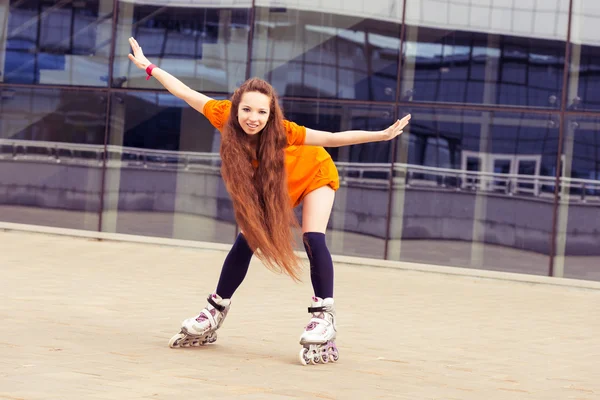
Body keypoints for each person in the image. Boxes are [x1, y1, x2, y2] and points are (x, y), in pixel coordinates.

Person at [127, 37, 411, 365]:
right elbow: (185, 92)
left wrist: (381, 135)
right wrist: (149, 66)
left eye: (262, 111)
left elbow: (331, 139)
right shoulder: (222, 115)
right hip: (278, 186)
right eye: (247, 109)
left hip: (314, 172)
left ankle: (324, 315)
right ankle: (215, 310)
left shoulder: (283, 131)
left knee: (312, 236)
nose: (254, 117)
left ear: (270, 113)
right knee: (247, 240)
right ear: (236, 108)